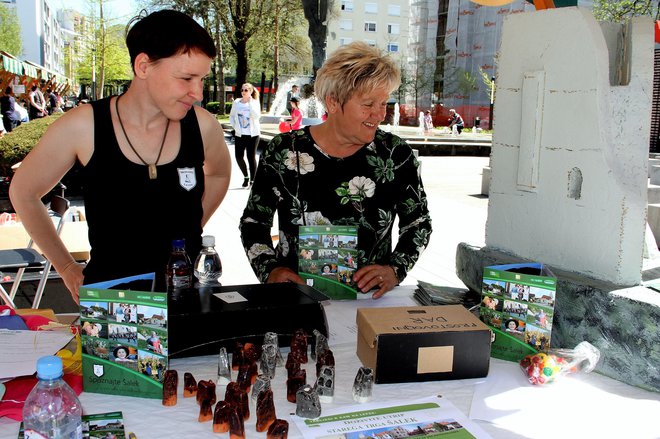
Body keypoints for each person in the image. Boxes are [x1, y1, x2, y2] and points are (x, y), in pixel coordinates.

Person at [9, 9, 232, 300]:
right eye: (187, 78)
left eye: (201, 79)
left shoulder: (203, 126)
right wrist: (65, 266)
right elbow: (23, 192)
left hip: (184, 294)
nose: (198, 92)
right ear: (143, 66)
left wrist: (193, 224)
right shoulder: (84, 126)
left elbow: (219, 173)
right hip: (112, 305)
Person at [239, 41, 432, 299]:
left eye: (383, 103)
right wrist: (270, 270)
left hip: (370, 302)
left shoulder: (396, 155)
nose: (379, 114)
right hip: (298, 298)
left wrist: (395, 270)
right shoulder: (284, 151)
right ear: (332, 102)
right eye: (368, 104)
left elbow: (418, 223)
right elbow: (254, 222)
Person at [229, 82, 261, 187]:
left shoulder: (255, 102)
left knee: (250, 157)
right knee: (238, 157)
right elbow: (232, 116)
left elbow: (257, 116)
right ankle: (246, 177)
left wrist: (250, 103)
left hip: (253, 135)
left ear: (251, 91)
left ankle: (253, 180)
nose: (243, 92)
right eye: (242, 90)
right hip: (240, 134)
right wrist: (235, 127)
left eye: (246, 90)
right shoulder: (237, 102)